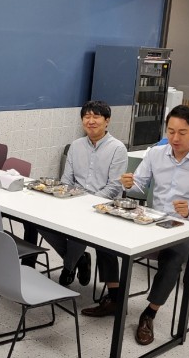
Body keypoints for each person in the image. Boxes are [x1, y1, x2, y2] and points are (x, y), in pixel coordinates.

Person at [81, 106, 189, 346]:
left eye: (182, 133)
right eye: (170, 131)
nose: (175, 138)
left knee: (173, 257)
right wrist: (129, 183)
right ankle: (115, 297)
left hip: (186, 227)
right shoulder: (156, 154)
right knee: (105, 236)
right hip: (153, 220)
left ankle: (149, 313)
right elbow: (139, 185)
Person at [42, 101, 127, 286]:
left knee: (80, 226)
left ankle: (68, 267)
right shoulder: (76, 145)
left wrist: (88, 203)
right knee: (40, 221)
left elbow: (114, 187)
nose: (91, 121)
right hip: (74, 200)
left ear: (107, 121)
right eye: (87, 117)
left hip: (103, 206)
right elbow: (66, 179)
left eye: (96, 117)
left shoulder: (117, 148)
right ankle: (78, 259)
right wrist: (66, 198)